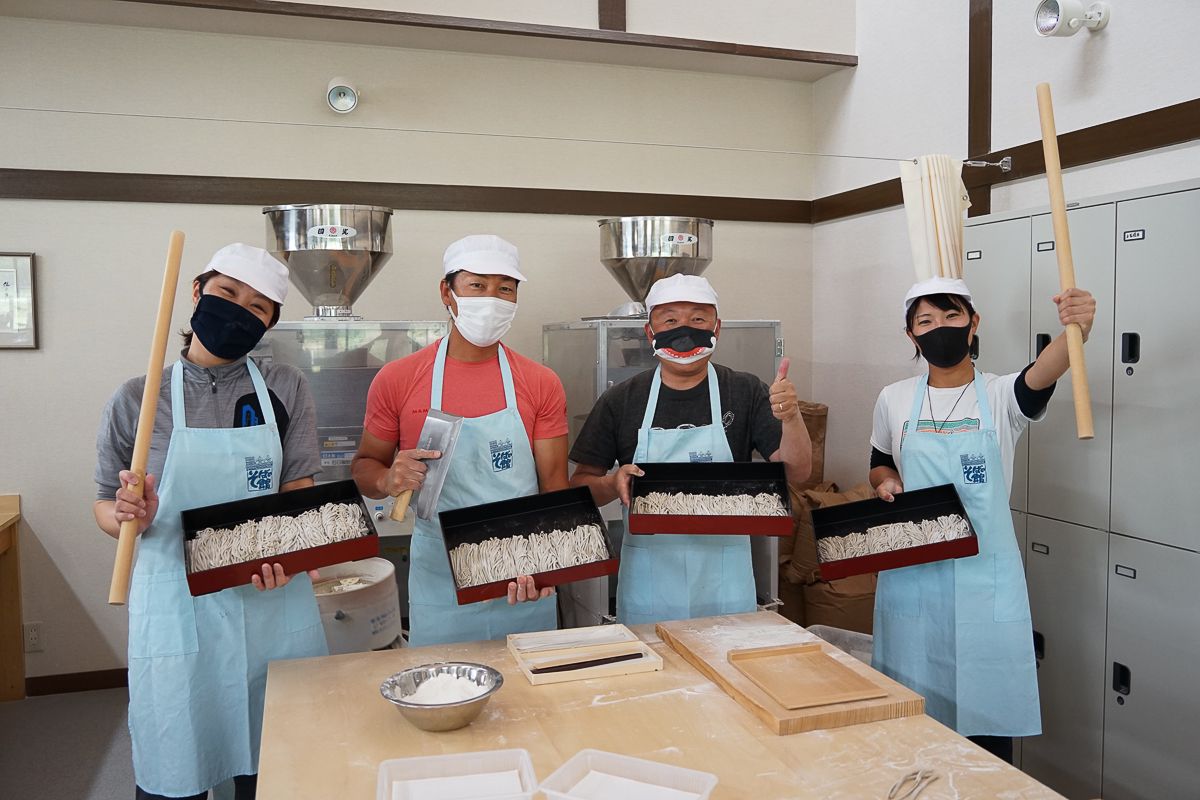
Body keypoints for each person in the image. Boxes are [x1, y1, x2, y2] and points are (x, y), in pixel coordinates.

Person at [94, 243, 327, 800]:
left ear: (270, 322)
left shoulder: (286, 387)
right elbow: (106, 503)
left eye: (258, 307)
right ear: (197, 292)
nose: (239, 311)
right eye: (228, 294)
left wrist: (293, 554)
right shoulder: (138, 398)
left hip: (266, 595)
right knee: (176, 754)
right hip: (177, 602)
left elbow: (297, 492)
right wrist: (127, 513)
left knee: (276, 763)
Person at [868, 275, 1097, 764]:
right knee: (912, 716)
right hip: (913, 571)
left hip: (983, 574)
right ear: (911, 335)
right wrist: (885, 484)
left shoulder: (999, 395)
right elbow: (880, 462)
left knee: (984, 720)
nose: (939, 328)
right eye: (925, 321)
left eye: (951, 316)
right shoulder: (893, 398)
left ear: (974, 324)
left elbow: (1044, 371)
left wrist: (1078, 327)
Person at [352, 234, 568, 646]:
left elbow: (554, 487)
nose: (492, 298)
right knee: (443, 684)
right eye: (476, 286)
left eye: (505, 289)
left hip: (521, 564)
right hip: (440, 572)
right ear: (446, 292)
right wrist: (387, 481)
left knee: (532, 701)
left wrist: (550, 567)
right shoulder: (398, 378)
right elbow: (364, 466)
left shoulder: (540, 382)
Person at [569, 274, 812, 625]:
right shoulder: (622, 400)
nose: (684, 329)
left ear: (718, 327)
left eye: (698, 318)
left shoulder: (744, 391)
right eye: (670, 320)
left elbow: (798, 473)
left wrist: (791, 417)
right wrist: (613, 483)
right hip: (650, 585)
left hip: (726, 581)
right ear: (649, 332)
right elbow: (580, 487)